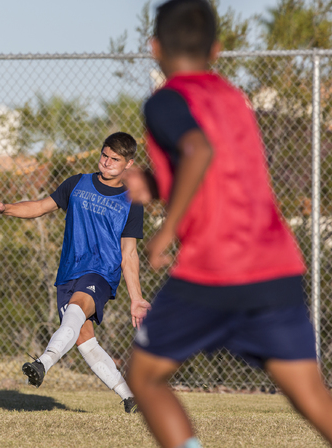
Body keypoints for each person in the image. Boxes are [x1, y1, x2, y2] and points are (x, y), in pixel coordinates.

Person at [123, 1, 332, 447]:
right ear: (216, 50)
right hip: (274, 267)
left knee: (145, 377)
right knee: (312, 397)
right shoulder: (233, 97)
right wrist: (159, 183)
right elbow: (217, 170)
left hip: (213, 269)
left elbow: (198, 151)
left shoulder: (166, 101)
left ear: (154, 47)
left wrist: (164, 231)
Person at [0, 132, 151, 414]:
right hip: (69, 272)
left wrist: (136, 298)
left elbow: (129, 254)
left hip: (100, 273)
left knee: (76, 310)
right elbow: (40, 206)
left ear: (128, 163)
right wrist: (7, 209)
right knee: (84, 340)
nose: (107, 162)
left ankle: (43, 363)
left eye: (115, 159)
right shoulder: (77, 183)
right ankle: (130, 397)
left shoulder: (131, 201)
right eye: (105, 155)